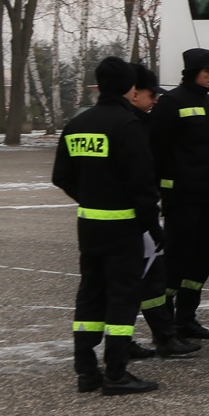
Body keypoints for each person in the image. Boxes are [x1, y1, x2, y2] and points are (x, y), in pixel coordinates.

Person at [51, 57, 162, 395]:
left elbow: (61, 177)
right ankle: (116, 374)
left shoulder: (77, 124)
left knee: (90, 297)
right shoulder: (128, 126)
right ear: (130, 88)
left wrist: (90, 197)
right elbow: (143, 186)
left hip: (89, 226)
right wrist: (154, 229)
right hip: (124, 228)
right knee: (122, 300)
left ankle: (86, 371)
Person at [123, 64, 199, 360]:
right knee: (150, 279)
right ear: (134, 93)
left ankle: (129, 339)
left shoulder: (130, 123)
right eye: (151, 94)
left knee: (129, 283)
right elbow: (142, 177)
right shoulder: (133, 127)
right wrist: (152, 221)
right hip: (135, 218)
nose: (155, 100)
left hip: (113, 219)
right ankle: (163, 339)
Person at [150, 48, 209, 339]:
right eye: (208, 72)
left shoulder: (206, 101)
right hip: (181, 197)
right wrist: (164, 187)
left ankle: (186, 318)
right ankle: (164, 324)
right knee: (177, 259)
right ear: (193, 71)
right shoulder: (171, 102)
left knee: (203, 257)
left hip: (206, 195)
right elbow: (156, 149)